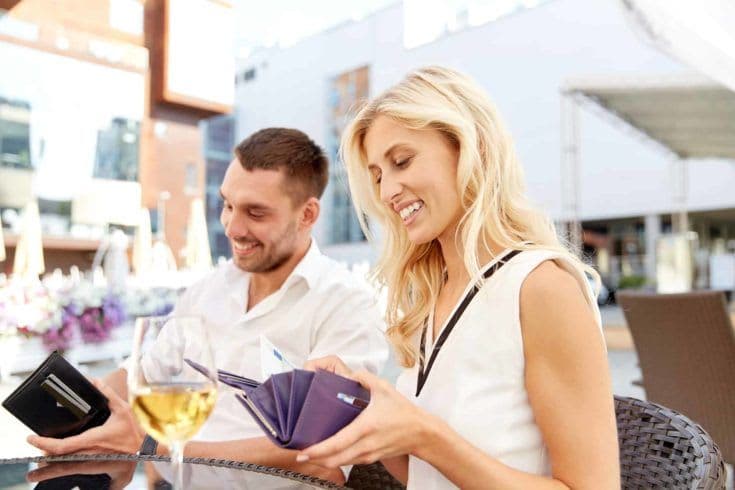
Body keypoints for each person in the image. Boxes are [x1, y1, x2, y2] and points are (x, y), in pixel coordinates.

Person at [298, 66, 620, 489]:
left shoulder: (540, 287)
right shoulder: (436, 294)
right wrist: (359, 407)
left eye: (402, 161)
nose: (387, 190)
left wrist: (426, 436)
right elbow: (430, 477)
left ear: (470, 148)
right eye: (378, 175)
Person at [28, 128, 388, 485]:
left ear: (307, 215)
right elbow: (142, 374)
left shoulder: (347, 305)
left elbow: (319, 455)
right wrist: (71, 413)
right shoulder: (206, 291)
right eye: (228, 205)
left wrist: (156, 446)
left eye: (255, 213)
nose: (232, 227)